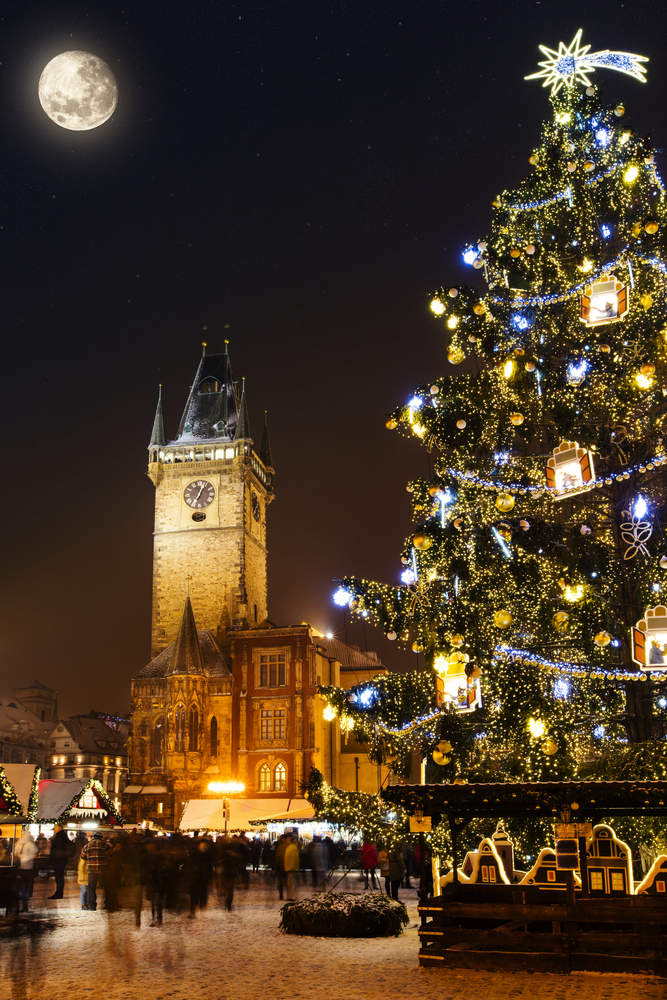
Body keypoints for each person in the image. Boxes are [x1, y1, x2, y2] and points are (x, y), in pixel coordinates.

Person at [81, 831, 112, 911]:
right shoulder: (105, 845)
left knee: (91, 888)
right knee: (107, 887)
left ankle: (92, 906)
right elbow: (110, 856)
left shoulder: (87, 846)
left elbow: (83, 857)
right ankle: (108, 904)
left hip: (91, 871)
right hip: (103, 870)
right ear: (101, 838)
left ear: (94, 837)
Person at [15, 830, 38, 913]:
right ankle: (24, 906)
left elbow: (15, 853)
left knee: (18, 887)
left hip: (19, 868)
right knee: (25, 887)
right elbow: (34, 854)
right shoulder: (30, 844)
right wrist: (27, 858)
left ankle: (18, 906)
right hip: (27, 868)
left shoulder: (19, 843)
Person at [48, 824, 73, 899]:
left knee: (59, 877)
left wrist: (55, 860)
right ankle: (59, 892)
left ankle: (59, 893)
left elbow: (58, 850)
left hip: (59, 861)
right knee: (59, 877)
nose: (54, 830)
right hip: (61, 860)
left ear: (58, 829)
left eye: (55, 829)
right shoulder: (62, 836)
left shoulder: (60, 837)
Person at [283, 834, 300, 900]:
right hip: (292, 868)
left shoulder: (290, 847)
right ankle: (292, 896)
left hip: (290, 868)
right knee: (291, 883)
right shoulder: (293, 847)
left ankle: (291, 896)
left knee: (290, 883)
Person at [274, 834, 288, 900]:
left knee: (282, 882)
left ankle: (281, 894)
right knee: (283, 882)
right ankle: (281, 894)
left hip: (282, 866)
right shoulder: (282, 847)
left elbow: (277, 858)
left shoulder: (280, 847)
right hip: (283, 866)